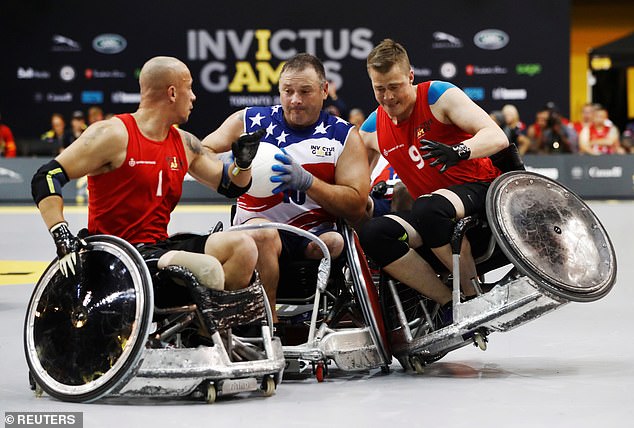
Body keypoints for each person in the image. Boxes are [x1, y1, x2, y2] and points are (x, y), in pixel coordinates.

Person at [31, 57, 263, 327]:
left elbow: (231, 185)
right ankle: (208, 337)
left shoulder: (185, 143)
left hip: (157, 250)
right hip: (117, 256)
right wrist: (60, 233)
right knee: (207, 268)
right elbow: (46, 176)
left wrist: (243, 163)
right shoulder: (113, 134)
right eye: (190, 88)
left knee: (244, 248)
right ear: (173, 92)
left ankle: (202, 336)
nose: (195, 97)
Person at [201, 53, 370, 322]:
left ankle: (319, 320)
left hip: (314, 235)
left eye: (305, 91)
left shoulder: (343, 135)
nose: (295, 100)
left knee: (336, 242)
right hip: (256, 229)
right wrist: (235, 164)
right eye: (288, 91)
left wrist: (309, 182)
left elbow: (357, 205)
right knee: (265, 235)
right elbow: (203, 153)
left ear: (325, 90)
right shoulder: (249, 121)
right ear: (279, 90)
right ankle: (270, 325)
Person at [358, 39, 508, 326]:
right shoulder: (371, 127)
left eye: (395, 86)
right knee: (374, 234)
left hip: (481, 189)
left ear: (411, 77)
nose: (388, 97)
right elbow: (356, 179)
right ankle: (449, 302)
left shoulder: (438, 96)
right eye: (380, 89)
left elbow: (497, 137)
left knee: (428, 208)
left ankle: (471, 295)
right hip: (433, 213)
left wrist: (459, 152)